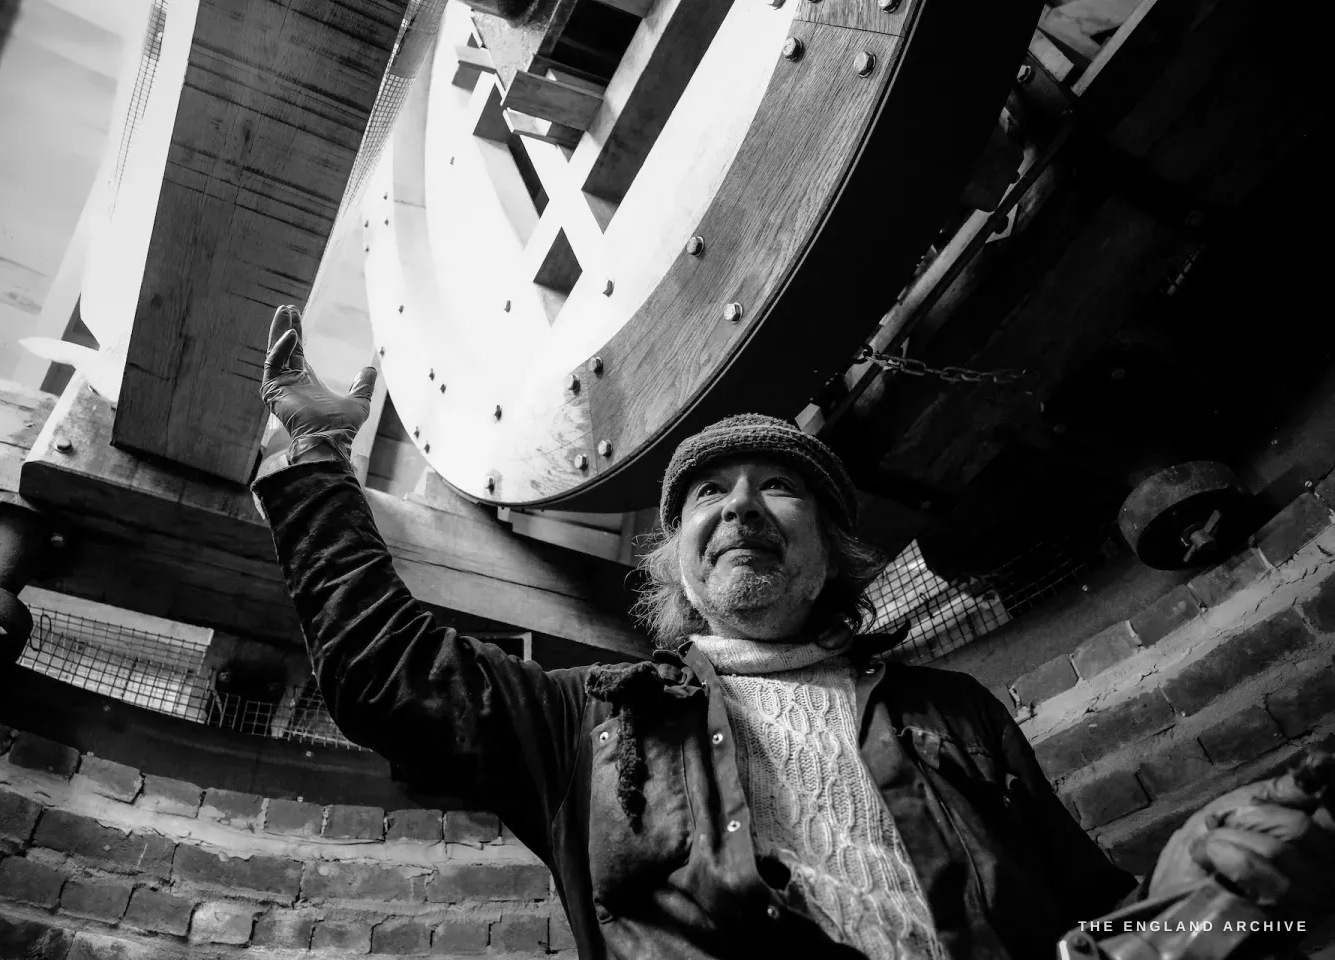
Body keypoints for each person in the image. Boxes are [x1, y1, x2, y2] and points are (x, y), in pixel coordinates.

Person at [252, 304, 1334, 960]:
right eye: (707, 495)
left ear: (828, 552)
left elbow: (1096, 918)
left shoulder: (950, 715)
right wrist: (311, 459)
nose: (740, 506)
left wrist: (1213, 896)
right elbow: (385, 673)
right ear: (674, 563)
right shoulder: (590, 726)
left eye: (781, 488)